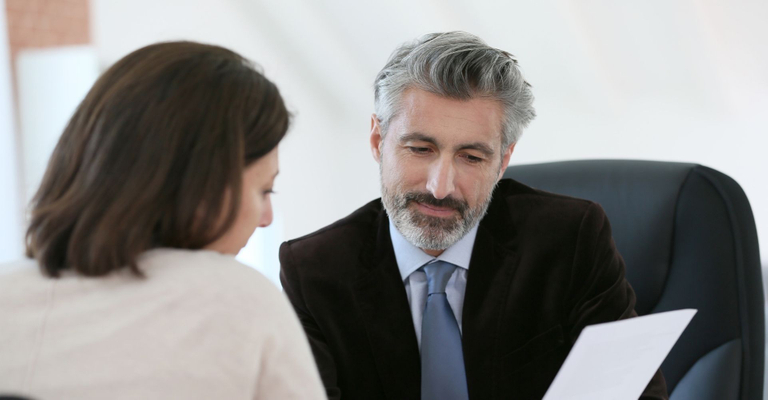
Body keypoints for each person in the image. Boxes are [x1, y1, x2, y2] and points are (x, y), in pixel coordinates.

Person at [279, 32, 669, 399]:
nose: (440, 186)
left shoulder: (569, 240)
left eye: (471, 157)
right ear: (379, 141)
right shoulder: (315, 272)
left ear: (503, 161)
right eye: (420, 149)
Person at [0, 41, 325, 400]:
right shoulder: (238, 299)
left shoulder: (7, 294)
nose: (266, 219)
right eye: (264, 190)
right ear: (204, 185)